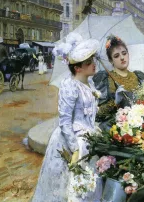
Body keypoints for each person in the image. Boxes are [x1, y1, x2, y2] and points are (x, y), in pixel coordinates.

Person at [32, 38, 103, 202]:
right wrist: (75, 148)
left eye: (93, 60)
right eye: (88, 62)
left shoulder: (90, 84)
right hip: (70, 140)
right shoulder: (70, 86)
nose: (94, 64)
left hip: (88, 137)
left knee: (88, 182)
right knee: (68, 185)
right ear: (77, 68)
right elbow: (65, 121)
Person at [93, 35, 144, 130]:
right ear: (111, 60)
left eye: (124, 53)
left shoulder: (139, 76)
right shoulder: (105, 79)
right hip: (115, 129)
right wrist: (115, 102)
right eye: (116, 56)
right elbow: (97, 115)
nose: (122, 58)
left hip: (139, 126)